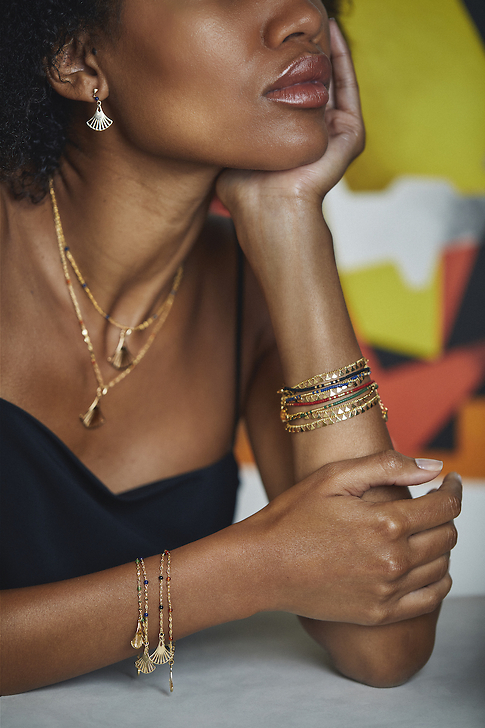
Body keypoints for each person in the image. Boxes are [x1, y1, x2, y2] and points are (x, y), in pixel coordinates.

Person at [0, 0, 461, 696]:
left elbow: (383, 648)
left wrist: (290, 226)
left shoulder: (250, 288)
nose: (301, 17)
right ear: (78, 61)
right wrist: (257, 567)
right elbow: (290, 569)